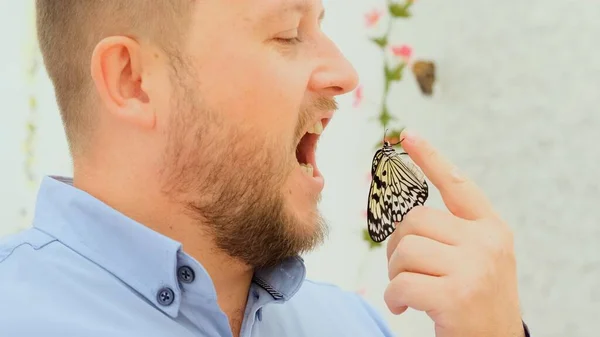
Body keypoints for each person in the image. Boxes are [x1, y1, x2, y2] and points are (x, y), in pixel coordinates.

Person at [0, 1, 530, 336]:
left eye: (322, 25)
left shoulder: (354, 326)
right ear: (133, 80)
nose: (345, 74)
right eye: (288, 33)